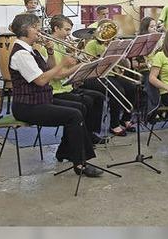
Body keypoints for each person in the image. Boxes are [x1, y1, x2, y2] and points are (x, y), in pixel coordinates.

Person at [8, 13, 101, 177]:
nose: (39, 31)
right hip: (28, 106)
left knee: (80, 107)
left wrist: (51, 52)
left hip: (40, 100)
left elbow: (49, 68)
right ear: (26, 29)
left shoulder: (32, 50)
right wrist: (64, 64)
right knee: (74, 115)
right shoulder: (21, 54)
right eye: (36, 28)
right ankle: (80, 163)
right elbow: (42, 80)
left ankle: (64, 151)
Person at [48, 15, 106, 142]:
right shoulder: (48, 47)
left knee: (98, 97)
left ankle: (90, 133)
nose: (69, 34)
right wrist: (80, 66)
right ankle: (80, 138)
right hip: (56, 90)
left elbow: (66, 71)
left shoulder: (62, 45)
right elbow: (57, 76)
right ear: (56, 28)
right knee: (86, 102)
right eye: (67, 30)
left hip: (67, 86)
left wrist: (79, 70)